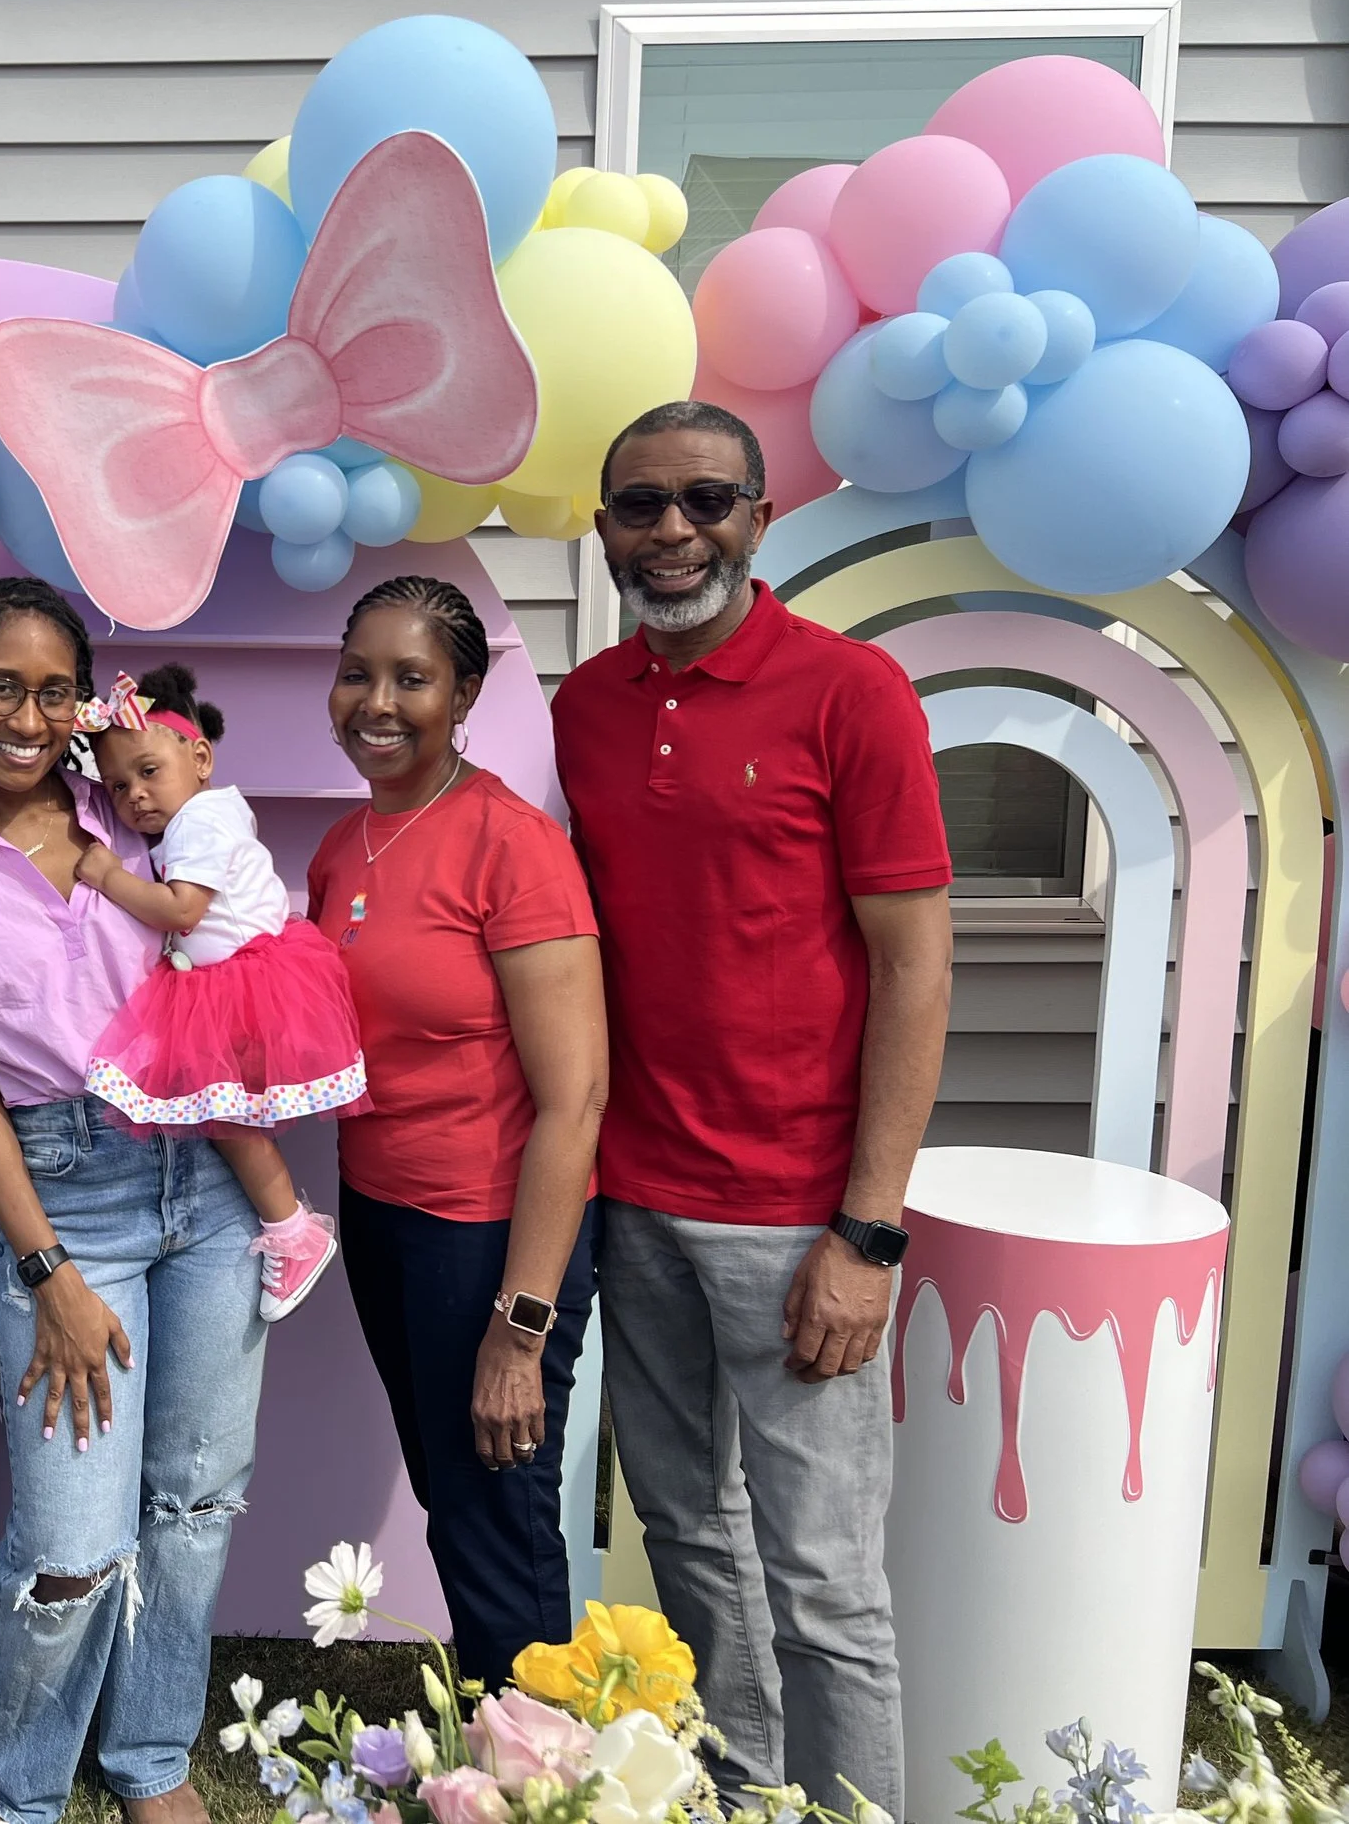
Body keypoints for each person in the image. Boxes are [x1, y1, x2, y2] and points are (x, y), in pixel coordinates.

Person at [555, 400, 953, 1815]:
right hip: (634, 1195)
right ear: (603, 529)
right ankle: (743, 1792)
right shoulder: (585, 709)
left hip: (800, 1218)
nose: (673, 532)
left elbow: (915, 966)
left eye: (704, 501)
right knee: (688, 1535)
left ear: (761, 517)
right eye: (641, 506)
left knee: (825, 1581)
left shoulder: (853, 693)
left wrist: (870, 1229)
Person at [0, 576, 264, 1824]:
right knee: (72, 1545)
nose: (27, 715)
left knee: (191, 1501)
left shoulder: (141, 800)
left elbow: (232, 936)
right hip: (66, 1189)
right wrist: (47, 1275)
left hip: (209, 1169)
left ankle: (150, 1761)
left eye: (51, 690)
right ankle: (16, 1787)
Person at [304, 573, 608, 1689]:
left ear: (466, 692)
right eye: (356, 674)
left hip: (486, 1235)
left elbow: (574, 1100)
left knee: (496, 1515)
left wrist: (519, 1329)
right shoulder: (344, 846)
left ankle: (542, 1776)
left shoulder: (512, 847)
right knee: (453, 1491)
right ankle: (498, 1748)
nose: (375, 702)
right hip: (379, 1215)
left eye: (411, 678)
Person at [76, 660, 358, 1318]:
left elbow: (180, 910)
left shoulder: (200, 822)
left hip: (242, 987)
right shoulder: (202, 813)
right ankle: (290, 1224)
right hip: (236, 981)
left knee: (228, 1124)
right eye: (117, 786)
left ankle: (294, 1230)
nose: (134, 796)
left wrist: (105, 875)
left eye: (149, 772)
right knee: (224, 1121)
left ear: (199, 757)